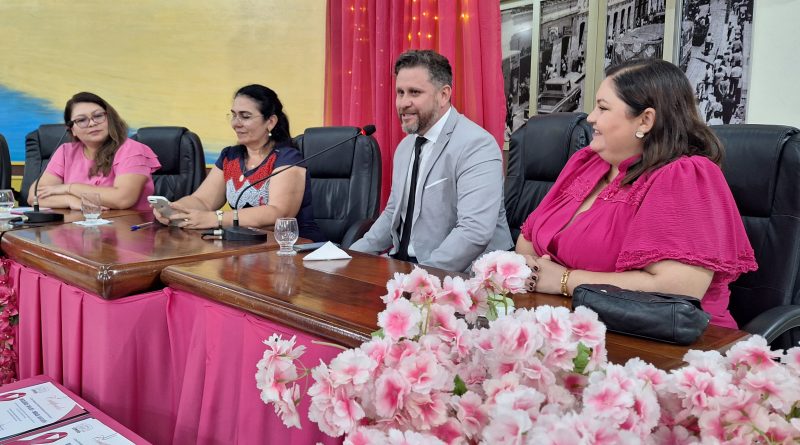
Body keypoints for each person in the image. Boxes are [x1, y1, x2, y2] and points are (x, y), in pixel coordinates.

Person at [516, 59, 756, 329]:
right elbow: (527, 242)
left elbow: (678, 290)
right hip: (574, 324)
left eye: (603, 108)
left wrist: (564, 280)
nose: (591, 117)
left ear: (645, 119)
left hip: (664, 345)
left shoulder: (685, 176)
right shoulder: (587, 163)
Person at [350, 50, 512, 272]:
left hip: (462, 277)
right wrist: (350, 256)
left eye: (414, 92)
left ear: (444, 95)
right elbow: (393, 214)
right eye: (400, 92)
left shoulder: (476, 145)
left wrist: (420, 280)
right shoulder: (406, 147)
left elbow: (474, 231)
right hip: (406, 267)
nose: (403, 103)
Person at [152, 84, 325, 242]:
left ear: (270, 122)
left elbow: (278, 213)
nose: (236, 123)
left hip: (294, 247)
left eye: (245, 116)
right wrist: (175, 210)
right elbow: (203, 201)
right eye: (234, 115)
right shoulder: (230, 156)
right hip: (245, 245)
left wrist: (216, 218)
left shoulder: (288, 159)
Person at [31, 92, 160, 211]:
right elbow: (34, 196)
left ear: (110, 119)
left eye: (98, 116)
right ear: (72, 130)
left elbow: (122, 199)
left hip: (126, 229)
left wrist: (69, 188)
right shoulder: (65, 152)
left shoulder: (132, 150)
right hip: (76, 228)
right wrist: (68, 200)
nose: (92, 123)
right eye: (81, 120)